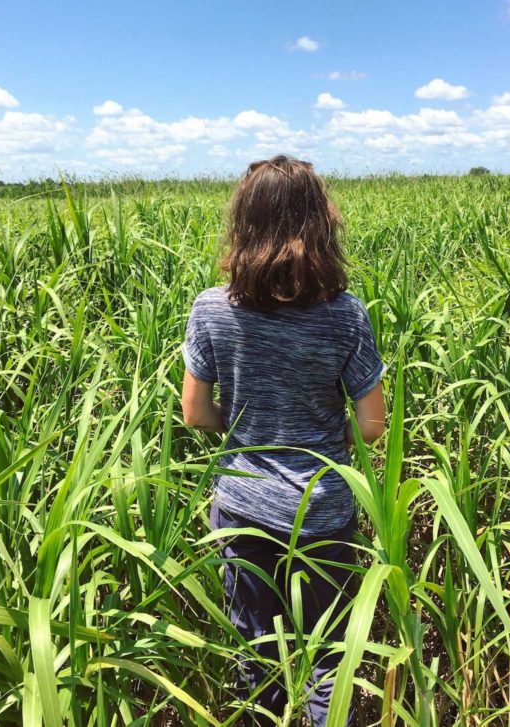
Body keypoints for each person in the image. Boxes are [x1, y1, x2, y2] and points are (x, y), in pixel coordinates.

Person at [181, 154, 387, 725]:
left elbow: (195, 414)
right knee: (330, 659)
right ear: (320, 223)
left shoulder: (211, 310)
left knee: (258, 654)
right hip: (322, 509)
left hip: (243, 506)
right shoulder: (346, 316)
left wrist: (248, 427)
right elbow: (372, 427)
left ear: (244, 223)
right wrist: (325, 433)